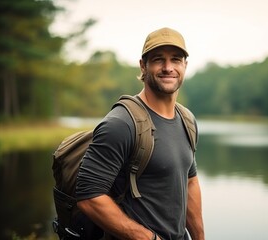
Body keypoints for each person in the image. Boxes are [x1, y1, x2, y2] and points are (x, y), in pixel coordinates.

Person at [76, 27, 205, 240]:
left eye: (175, 59)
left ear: (185, 66)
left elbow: (190, 181)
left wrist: (199, 238)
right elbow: (89, 197)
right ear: (143, 66)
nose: (167, 67)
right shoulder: (121, 124)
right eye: (158, 59)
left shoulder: (187, 119)